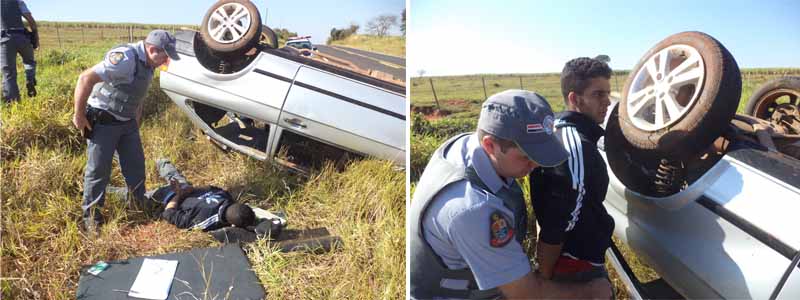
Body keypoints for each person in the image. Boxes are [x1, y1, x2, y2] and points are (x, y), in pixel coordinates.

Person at [410, 89, 610, 299]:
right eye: (526, 157)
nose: (535, 164)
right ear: (490, 145)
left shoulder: (465, 145)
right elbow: (526, 294)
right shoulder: (474, 210)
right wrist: (592, 291)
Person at [72, 29, 179, 232]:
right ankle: (91, 218)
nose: (166, 61)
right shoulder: (124, 59)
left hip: (127, 122)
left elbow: (135, 92)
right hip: (103, 120)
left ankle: (138, 206)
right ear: (152, 49)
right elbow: (85, 78)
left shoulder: (149, 62)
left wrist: (135, 118)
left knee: (136, 167)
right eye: (164, 56)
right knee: (98, 171)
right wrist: (79, 115)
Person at [529, 57, 614, 291]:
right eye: (598, 95)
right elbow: (559, 220)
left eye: (608, 93)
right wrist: (544, 277)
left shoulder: (557, 129)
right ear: (575, 99)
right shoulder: (576, 146)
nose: (607, 102)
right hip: (575, 264)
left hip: (569, 259)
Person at [147, 158, 257, 231]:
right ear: (233, 225)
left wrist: (183, 192)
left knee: (137, 198)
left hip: (171, 196)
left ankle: (161, 161)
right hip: (177, 192)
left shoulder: (226, 197)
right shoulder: (205, 220)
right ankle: (161, 161)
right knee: (137, 195)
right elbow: (168, 213)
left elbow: (168, 213)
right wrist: (186, 191)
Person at [1, 0, 38, 103]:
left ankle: (14, 104)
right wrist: (35, 38)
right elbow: (30, 20)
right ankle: (30, 80)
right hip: (23, 37)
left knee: (9, 74)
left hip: (5, 39)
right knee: (30, 61)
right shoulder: (18, 1)